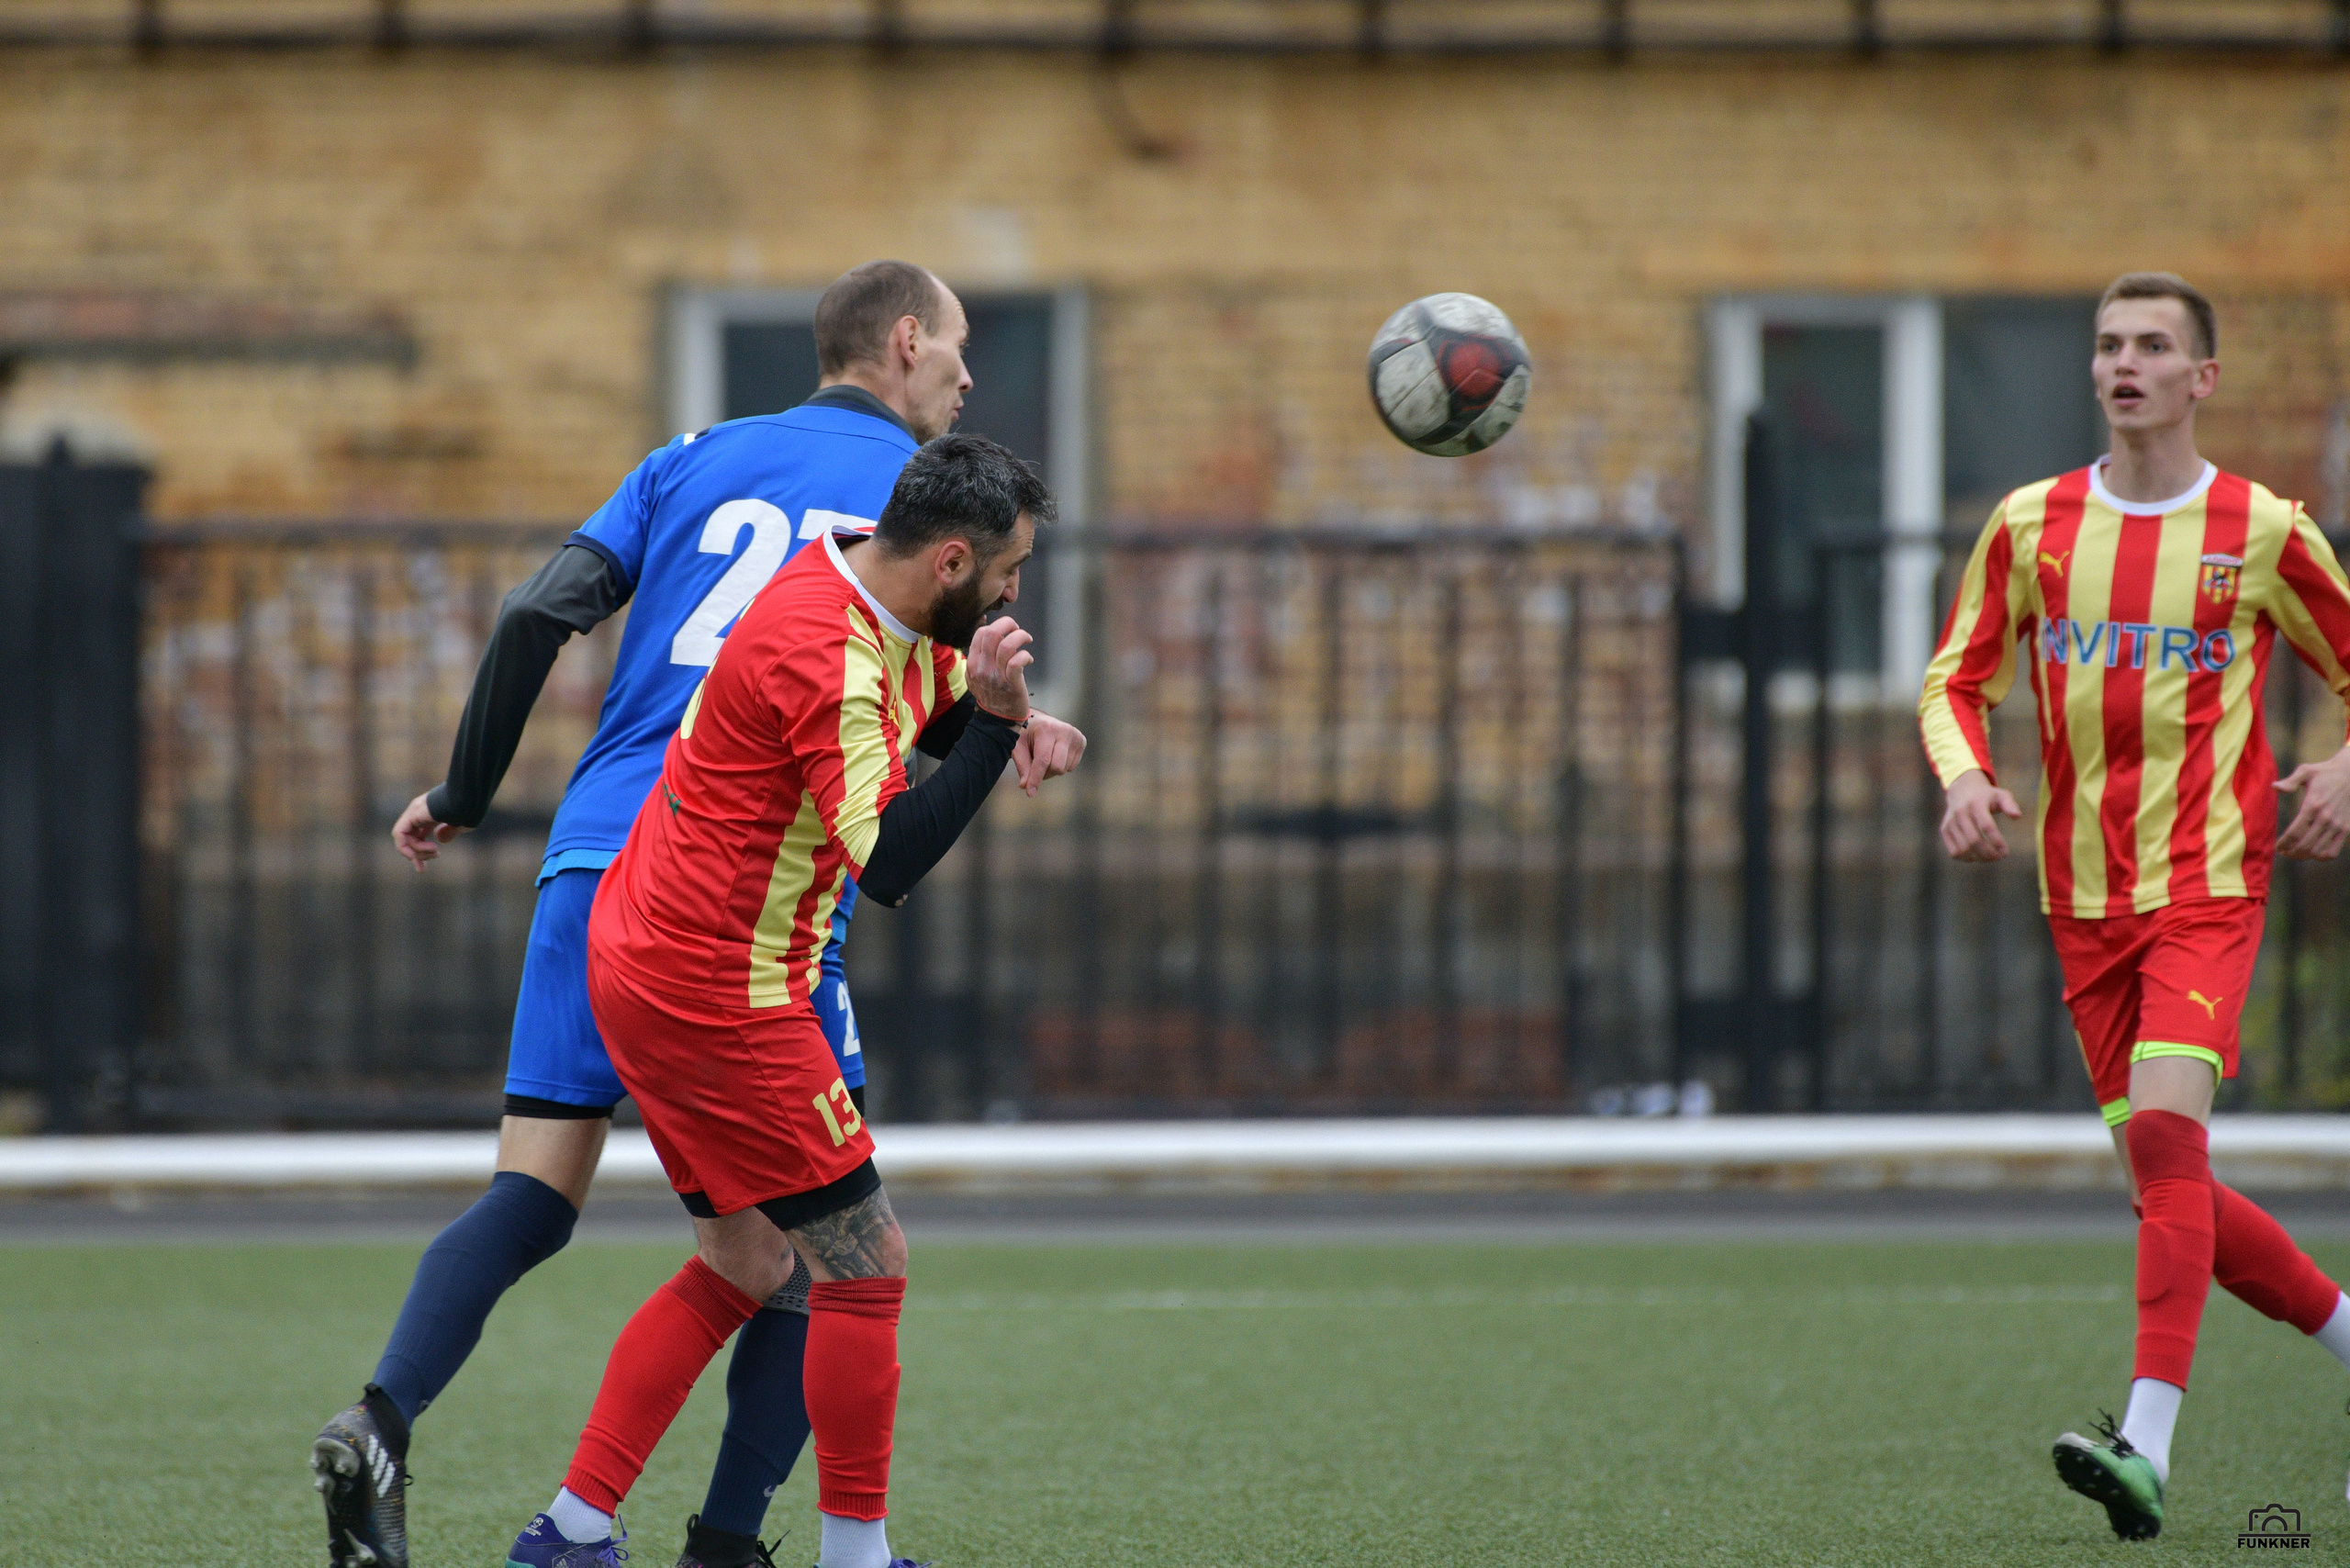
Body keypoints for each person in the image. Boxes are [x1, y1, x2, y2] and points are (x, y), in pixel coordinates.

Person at [308, 262, 1085, 1568]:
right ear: (903, 347)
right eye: (955, 357)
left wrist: (462, 791)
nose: (962, 381)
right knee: (842, 1252)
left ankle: (411, 1430)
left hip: (604, 869)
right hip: (738, 922)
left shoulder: (720, 473)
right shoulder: (874, 555)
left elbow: (538, 611)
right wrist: (982, 727)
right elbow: (874, 816)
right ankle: (758, 1541)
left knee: (577, 1208)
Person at [500, 433, 1054, 1568]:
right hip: (717, 991)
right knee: (868, 1262)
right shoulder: (830, 653)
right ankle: (854, 1556)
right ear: (951, 559)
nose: (1015, 590)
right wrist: (997, 728)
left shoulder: (855, 568)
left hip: (650, 956)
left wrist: (1005, 720)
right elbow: (887, 859)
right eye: (1010, 569)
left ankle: (571, 1531)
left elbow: (930, 692)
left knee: (749, 1262)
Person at [1920, 271, 2350, 1541]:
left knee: (2167, 1150)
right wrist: (1961, 782)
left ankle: (2143, 1445)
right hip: (2082, 901)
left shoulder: (2262, 530)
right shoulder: (2031, 524)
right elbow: (1956, 680)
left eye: (2154, 345)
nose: (2125, 363)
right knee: (2179, 1200)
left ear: (2201, 378)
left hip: (2209, 885)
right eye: (2109, 344)